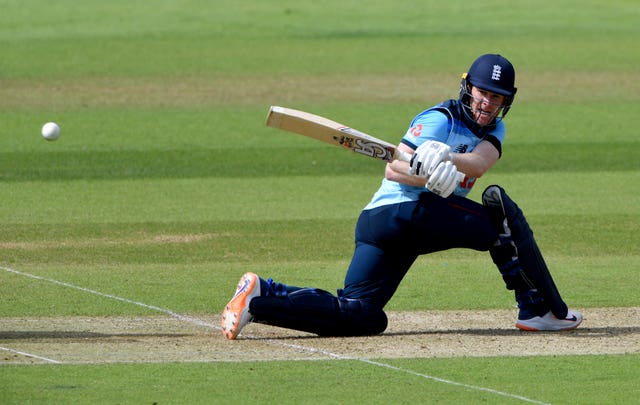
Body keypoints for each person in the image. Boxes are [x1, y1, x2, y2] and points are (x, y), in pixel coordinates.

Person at [221, 53, 582, 340]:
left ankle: (261, 297)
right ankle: (539, 308)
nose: (487, 103)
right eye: (483, 92)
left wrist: (445, 159)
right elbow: (393, 169)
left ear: (507, 100)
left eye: (496, 97)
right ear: (467, 87)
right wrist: (424, 173)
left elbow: (478, 164)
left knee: (362, 314)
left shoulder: (495, 129)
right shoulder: (440, 118)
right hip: (401, 212)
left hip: (395, 227)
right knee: (501, 220)